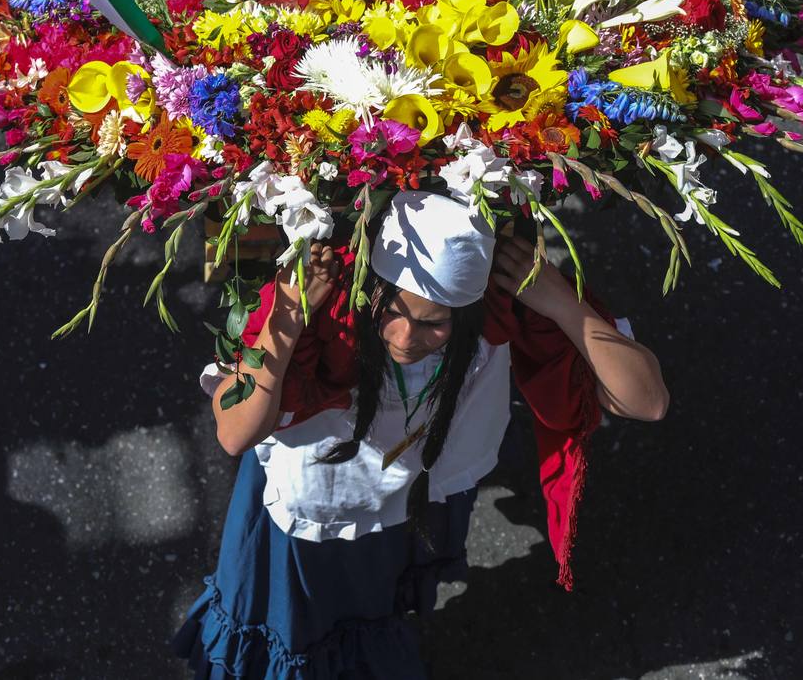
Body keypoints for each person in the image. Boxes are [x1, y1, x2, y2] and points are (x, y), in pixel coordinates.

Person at [172, 190, 668, 679]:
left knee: (374, 606)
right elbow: (236, 434)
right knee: (300, 629)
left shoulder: (502, 311)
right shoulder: (327, 310)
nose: (405, 338)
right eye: (390, 311)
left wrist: (563, 303)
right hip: (311, 516)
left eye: (435, 324)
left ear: (471, 311)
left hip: (411, 499)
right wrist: (287, 316)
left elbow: (648, 402)